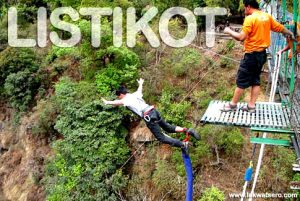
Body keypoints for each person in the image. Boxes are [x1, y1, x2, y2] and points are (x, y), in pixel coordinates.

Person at [222, 0, 294, 113]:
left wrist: (229, 31)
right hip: (262, 54)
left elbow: (241, 37)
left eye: (245, 8)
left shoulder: (250, 19)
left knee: (241, 80)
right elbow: (280, 28)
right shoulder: (267, 17)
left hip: (251, 55)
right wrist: (290, 33)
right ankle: (251, 106)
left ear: (248, 7)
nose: (244, 11)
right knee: (255, 80)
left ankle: (232, 105)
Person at [102, 78, 200, 153]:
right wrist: (140, 83)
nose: (118, 97)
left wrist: (107, 102)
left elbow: (117, 102)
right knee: (168, 127)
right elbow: (139, 89)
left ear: (121, 95)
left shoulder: (125, 100)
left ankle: (183, 144)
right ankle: (187, 130)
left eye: (118, 96)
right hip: (153, 111)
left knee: (161, 137)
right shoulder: (135, 94)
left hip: (148, 116)